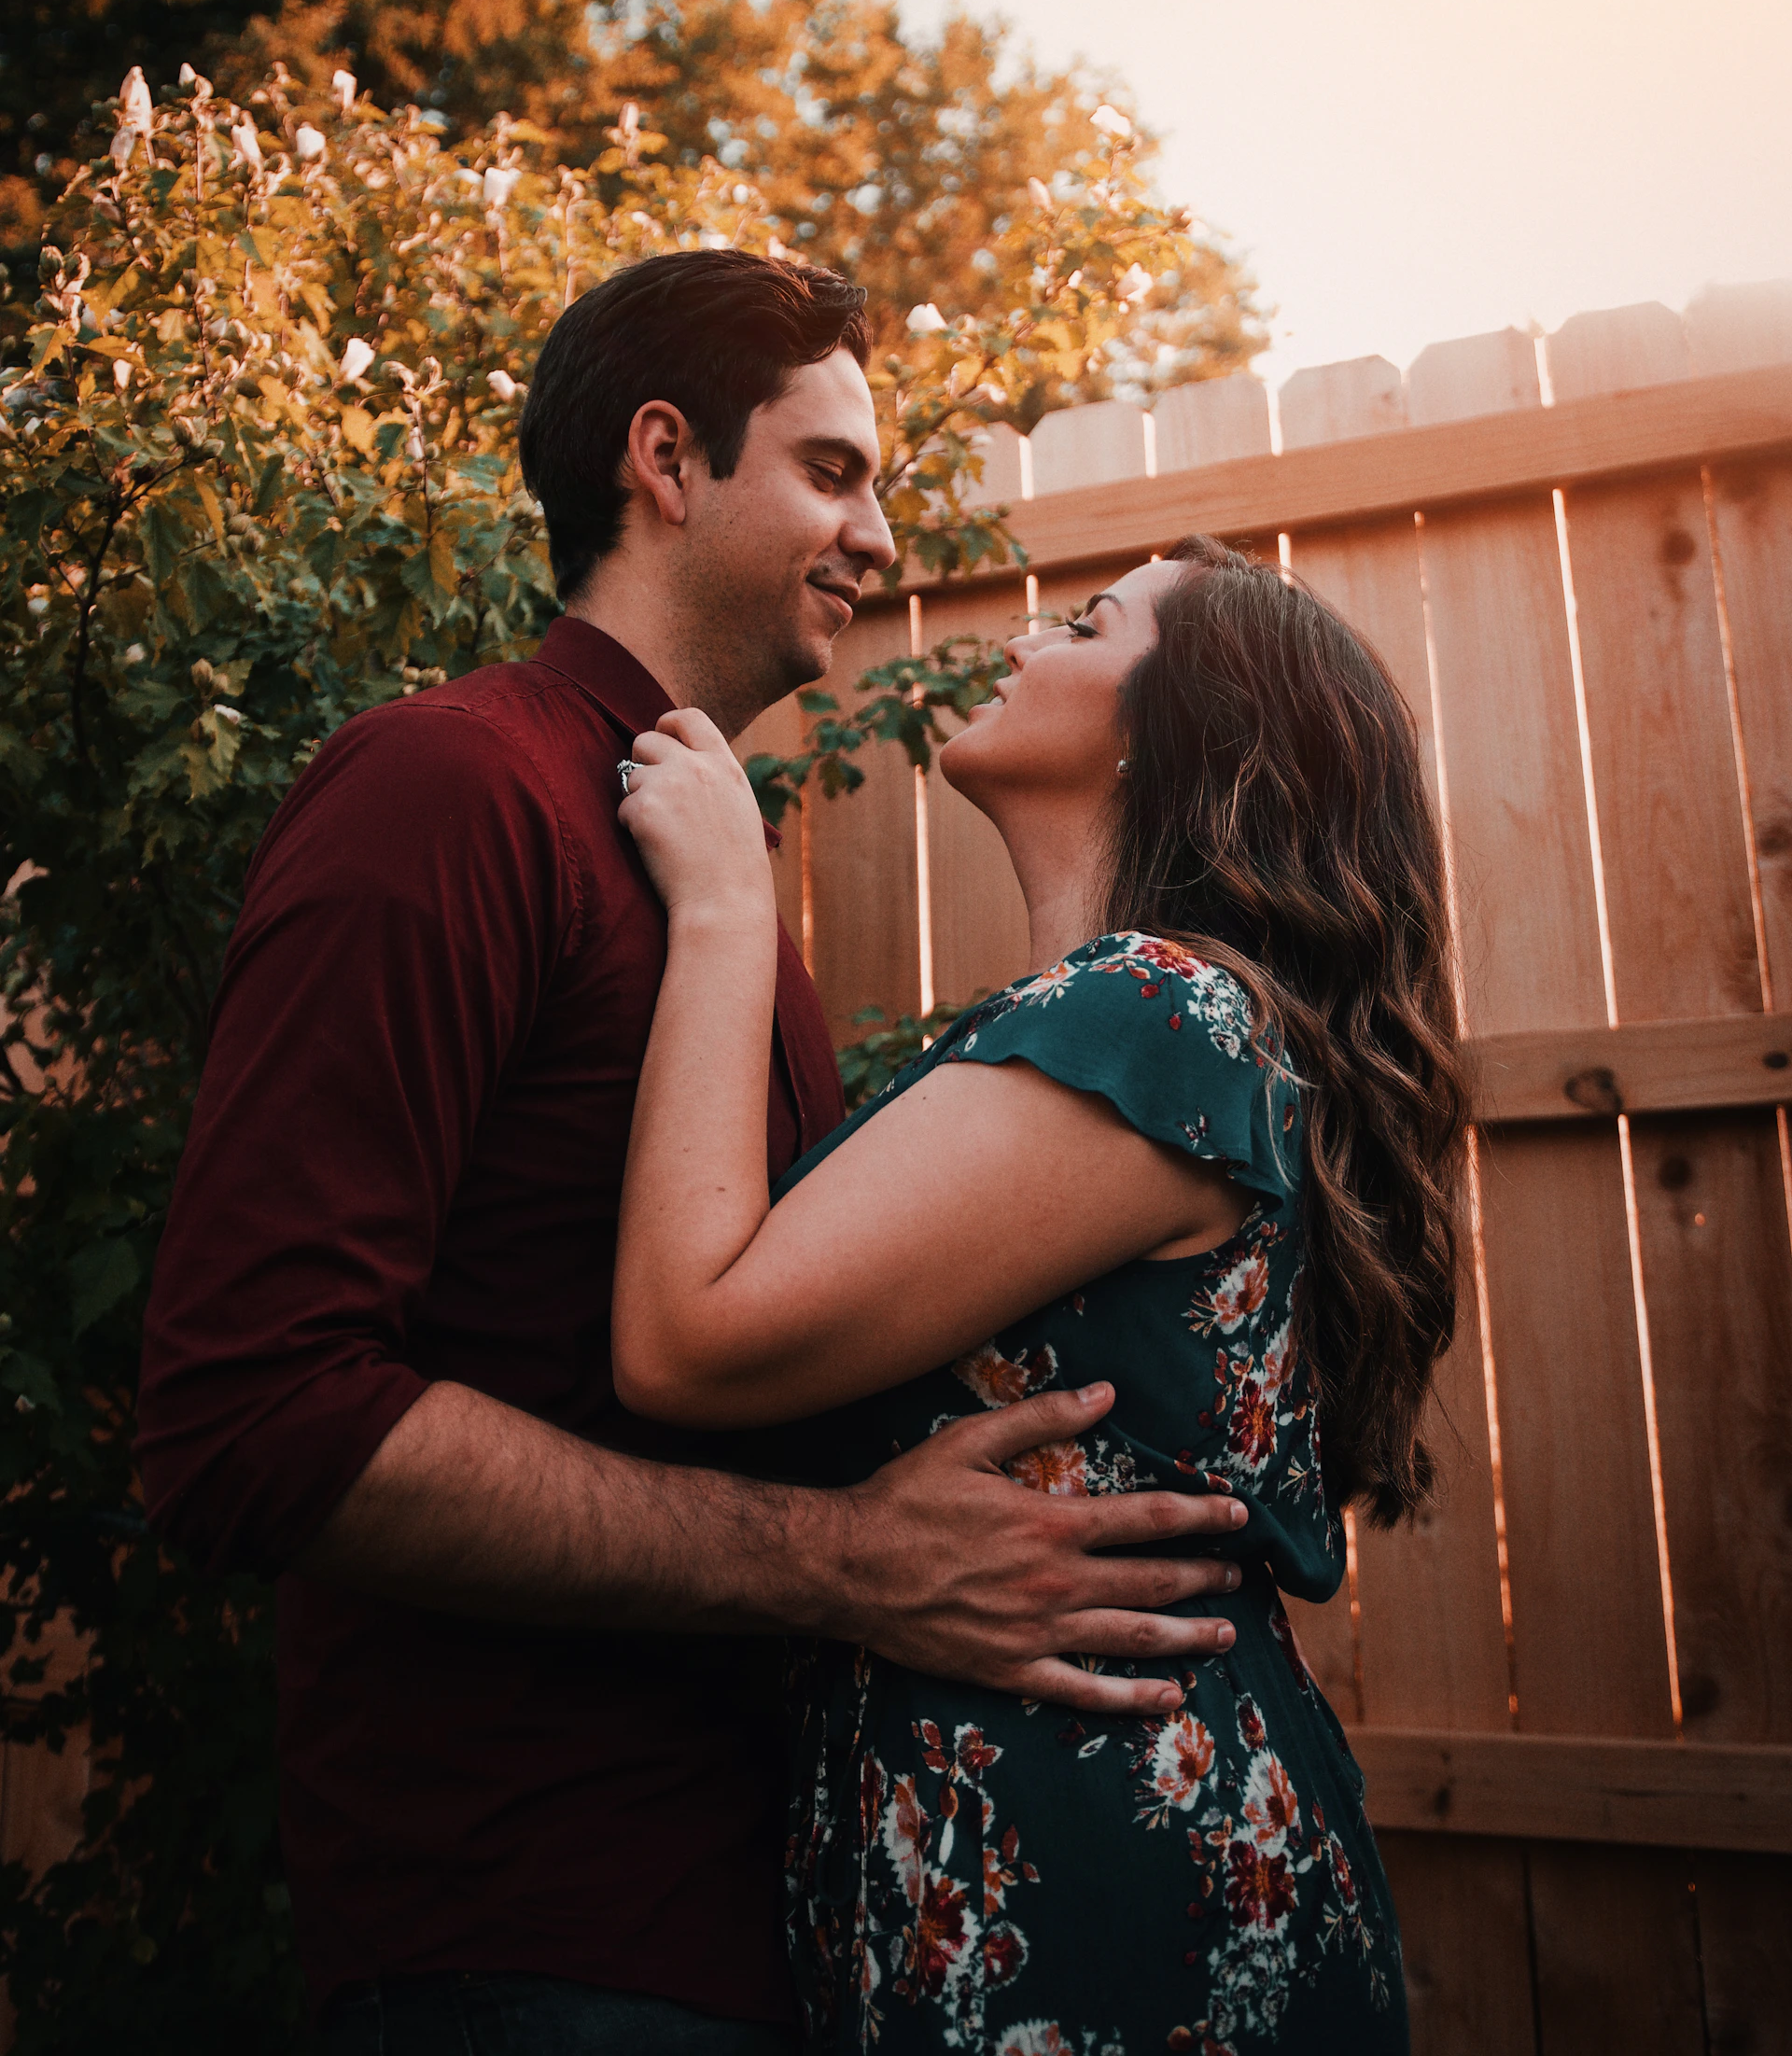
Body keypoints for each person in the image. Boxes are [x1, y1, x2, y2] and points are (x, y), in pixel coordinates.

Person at [133, 251, 1248, 2052]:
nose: (879, 539)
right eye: (832, 471)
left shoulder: (711, 877)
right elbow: (245, 1415)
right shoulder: (451, 788)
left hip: (759, 1925)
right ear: (666, 458)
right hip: (531, 1938)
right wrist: (842, 1562)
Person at [608, 537, 1472, 2054]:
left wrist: (731, 915)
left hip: (1105, 1891)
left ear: (1180, 723)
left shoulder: (1159, 1015)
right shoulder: (1115, 1033)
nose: (1023, 632)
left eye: (1087, 622)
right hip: (1049, 1851)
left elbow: (686, 1342)